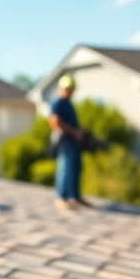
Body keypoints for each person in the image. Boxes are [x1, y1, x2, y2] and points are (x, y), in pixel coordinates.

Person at [48, 74, 91, 210]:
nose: (69, 91)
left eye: (71, 88)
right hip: (65, 141)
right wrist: (74, 132)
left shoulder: (69, 104)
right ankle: (62, 197)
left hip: (73, 142)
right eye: (67, 88)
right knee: (65, 168)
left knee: (75, 168)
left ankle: (75, 196)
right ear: (61, 89)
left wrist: (80, 132)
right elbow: (54, 121)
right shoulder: (58, 103)